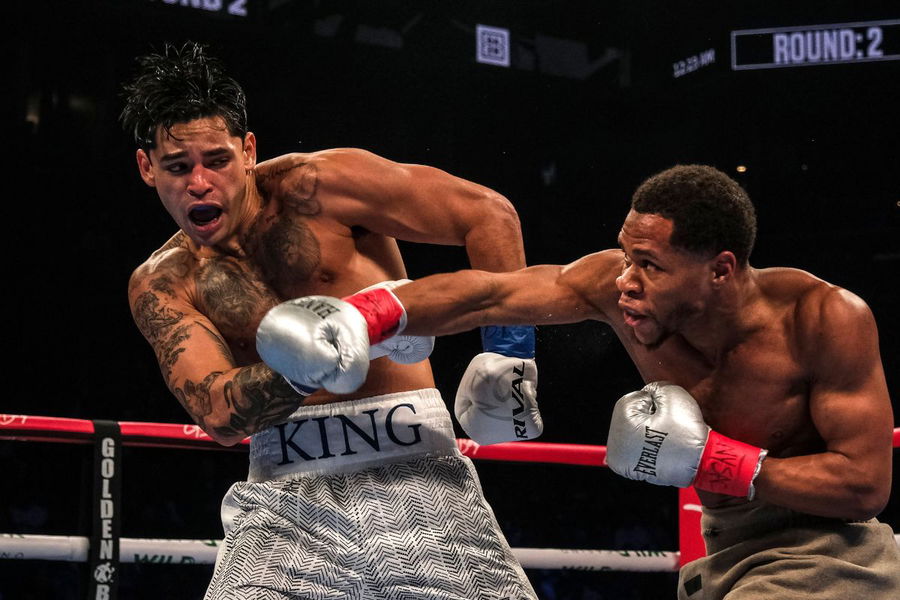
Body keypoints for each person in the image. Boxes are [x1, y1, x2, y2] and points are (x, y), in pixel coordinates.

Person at [273, 164, 900, 599]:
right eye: (625, 255)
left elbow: (866, 486)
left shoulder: (822, 319)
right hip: (725, 555)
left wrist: (711, 460)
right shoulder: (619, 290)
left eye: (650, 265)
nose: (626, 279)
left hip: (827, 557)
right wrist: (365, 314)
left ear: (720, 270)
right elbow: (490, 294)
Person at [121, 41, 542, 599]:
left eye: (217, 161)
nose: (200, 183)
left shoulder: (321, 186)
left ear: (248, 151)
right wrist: (309, 362)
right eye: (178, 167)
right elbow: (219, 414)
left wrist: (509, 357)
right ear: (147, 168)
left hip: (416, 468)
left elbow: (487, 214)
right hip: (283, 498)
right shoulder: (164, 282)